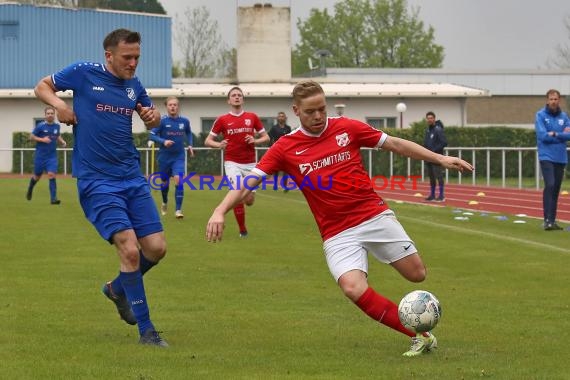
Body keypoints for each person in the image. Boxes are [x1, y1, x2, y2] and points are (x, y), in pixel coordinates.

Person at [206, 80, 473, 357]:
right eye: (310, 111)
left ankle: (416, 317)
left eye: (322, 109)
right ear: (296, 110)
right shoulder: (285, 147)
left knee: (417, 274)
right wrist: (219, 210)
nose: (318, 116)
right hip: (337, 232)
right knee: (352, 287)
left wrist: (439, 159)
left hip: (373, 215)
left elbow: (393, 143)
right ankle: (420, 336)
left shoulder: (347, 127)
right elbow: (249, 181)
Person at [34, 28, 169, 347]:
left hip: (132, 178)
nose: (133, 63)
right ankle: (147, 331)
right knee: (130, 249)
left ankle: (117, 289)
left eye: (137, 56)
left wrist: (153, 117)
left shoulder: (134, 86)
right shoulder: (83, 73)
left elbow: (155, 120)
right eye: (127, 57)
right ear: (109, 55)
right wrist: (61, 107)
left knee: (157, 248)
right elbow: (42, 86)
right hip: (97, 181)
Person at [204, 86, 269, 237]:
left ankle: (246, 203)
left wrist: (255, 140)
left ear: (243, 99)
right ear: (229, 100)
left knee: (249, 200)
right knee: (237, 192)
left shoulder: (252, 117)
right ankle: (242, 230)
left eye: (239, 95)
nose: (237, 97)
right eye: (233, 95)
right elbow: (208, 140)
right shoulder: (222, 119)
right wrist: (219, 145)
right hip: (232, 162)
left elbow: (266, 137)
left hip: (251, 164)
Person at [149, 96, 194, 219]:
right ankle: (164, 202)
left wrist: (190, 144)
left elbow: (189, 133)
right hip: (164, 158)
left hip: (178, 156)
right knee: (164, 182)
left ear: (178, 107)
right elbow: (151, 135)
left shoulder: (184, 121)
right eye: (170, 105)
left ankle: (178, 210)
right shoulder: (162, 121)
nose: (173, 107)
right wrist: (163, 141)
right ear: (167, 107)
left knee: (179, 180)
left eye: (175, 105)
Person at [534, 89, 570, 231]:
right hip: (546, 156)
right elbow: (543, 136)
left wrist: (555, 133)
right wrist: (561, 135)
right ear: (547, 100)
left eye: (556, 99)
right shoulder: (540, 115)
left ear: (559, 100)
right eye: (551, 99)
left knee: (555, 189)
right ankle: (547, 220)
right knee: (550, 184)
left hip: (560, 157)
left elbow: (569, 135)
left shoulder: (564, 116)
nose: (553, 101)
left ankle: (552, 220)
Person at [26, 106, 67, 204]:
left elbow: (57, 135)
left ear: (54, 115)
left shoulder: (57, 126)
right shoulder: (40, 126)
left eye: (52, 113)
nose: (50, 115)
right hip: (40, 156)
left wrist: (62, 142)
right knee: (37, 176)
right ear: (45, 115)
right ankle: (30, 188)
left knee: (51, 175)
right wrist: (42, 139)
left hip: (51, 156)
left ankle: (53, 199)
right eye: (48, 113)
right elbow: (31, 137)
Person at [423, 111, 447, 201]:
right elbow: (426, 143)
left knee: (439, 176)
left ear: (434, 119)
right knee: (431, 177)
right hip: (428, 157)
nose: (429, 120)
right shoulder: (428, 130)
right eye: (428, 118)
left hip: (436, 157)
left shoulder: (438, 129)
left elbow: (444, 142)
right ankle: (432, 195)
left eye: (431, 118)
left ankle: (441, 195)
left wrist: (434, 151)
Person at [268, 111, 293, 191]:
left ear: (285, 118)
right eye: (280, 116)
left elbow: (291, 139)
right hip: (276, 151)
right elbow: (269, 138)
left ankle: (285, 185)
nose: (281, 118)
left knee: (286, 168)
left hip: (286, 151)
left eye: (282, 116)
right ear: (277, 118)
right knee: (276, 168)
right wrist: (271, 147)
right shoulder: (274, 128)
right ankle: (275, 185)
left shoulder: (288, 128)